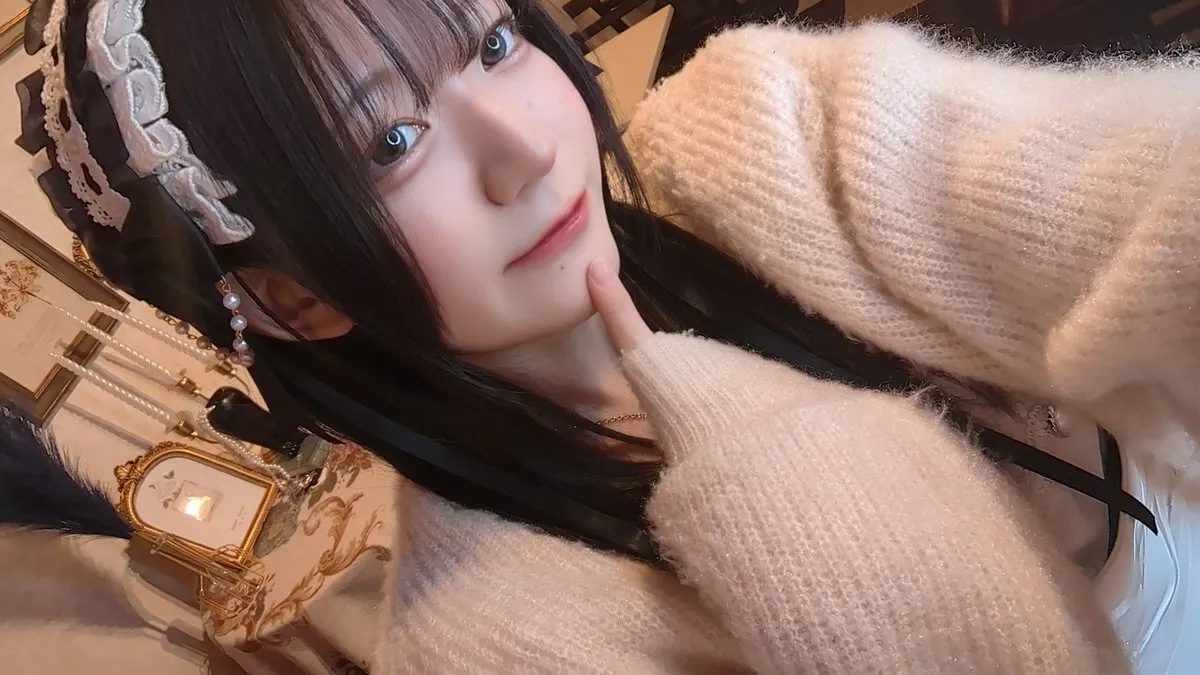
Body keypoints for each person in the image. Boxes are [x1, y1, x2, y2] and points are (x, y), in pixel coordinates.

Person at [11, 0, 1200, 671]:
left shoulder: (755, 137)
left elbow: (1139, 198)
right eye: (391, 143)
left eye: (491, 44)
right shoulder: (495, 641)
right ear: (295, 299)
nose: (528, 147)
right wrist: (778, 471)